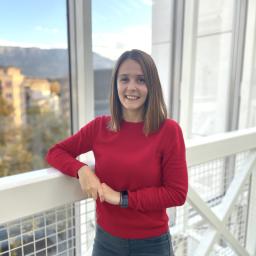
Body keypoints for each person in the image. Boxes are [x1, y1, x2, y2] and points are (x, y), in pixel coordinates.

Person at [46, 49, 188, 256]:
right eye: (124, 79)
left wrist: (121, 198)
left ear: (152, 86)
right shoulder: (99, 127)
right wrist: (82, 170)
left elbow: (177, 193)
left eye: (141, 80)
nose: (132, 87)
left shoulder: (168, 131)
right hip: (106, 243)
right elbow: (55, 152)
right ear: (116, 84)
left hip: (152, 245)